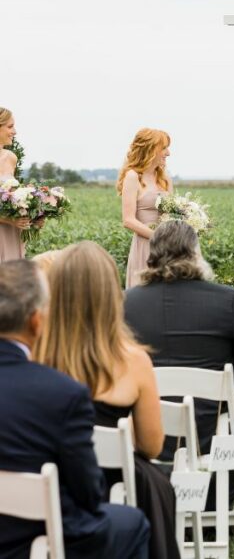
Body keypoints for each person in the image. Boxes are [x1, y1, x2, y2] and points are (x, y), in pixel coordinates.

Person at [36, 242, 178, 559]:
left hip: (50, 483)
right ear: (112, 295)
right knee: (156, 479)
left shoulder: (36, 355)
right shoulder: (133, 360)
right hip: (116, 483)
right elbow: (152, 446)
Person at [0, 259, 150, 559]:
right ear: (36, 321)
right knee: (131, 522)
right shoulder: (62, 393)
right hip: (35, 539)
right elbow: (89, 493)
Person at [124, 220, 234, 501]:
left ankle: (156, 498)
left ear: (151, 255)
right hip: (211, 426)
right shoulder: (227, 300)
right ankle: (213, 500)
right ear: (195, 253)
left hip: (143, 425)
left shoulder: (124, 303)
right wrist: (228, 401)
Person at [118, 128, 172, 288]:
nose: (168, 153)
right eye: (164, 148)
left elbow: (171, 214)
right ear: (150, 149)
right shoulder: (133, 176)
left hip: (167, 248)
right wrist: (157, 237)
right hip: (145, 246)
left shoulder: (165, 178)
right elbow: (128, 220)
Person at [0, 107, 29, 262]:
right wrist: (9, 220)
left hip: (13, 234)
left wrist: (35, 216)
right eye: (10, 126)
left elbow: (14, 197)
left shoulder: (11, 158)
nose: (15, 131)